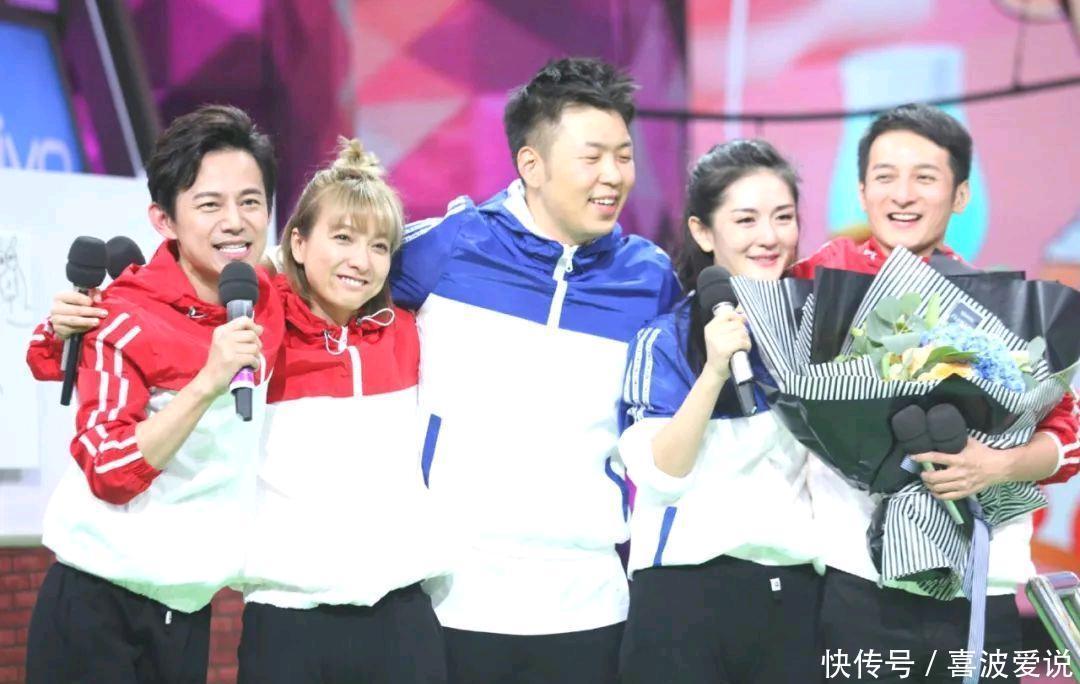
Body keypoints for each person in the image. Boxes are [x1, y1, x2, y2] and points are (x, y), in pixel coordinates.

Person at [390, 57, 680, 683]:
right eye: (591, 157)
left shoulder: (649, 279)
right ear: (532, 164)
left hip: (591, 605)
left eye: (624, 156)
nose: (613, 176)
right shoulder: (447, 247)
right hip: (450, 599)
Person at [790, 103, 1080, 681]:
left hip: (978, 586)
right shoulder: (816, 282)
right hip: (856, 583)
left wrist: (998, 465)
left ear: (961, 195)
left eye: (925, 177)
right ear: (861, 191)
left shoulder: (997, 306)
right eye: (885, 176)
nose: (903, 194)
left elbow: (1068, 436)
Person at [24, 105, 285, 683]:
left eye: (251, 201)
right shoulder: (125, 316)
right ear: (164, 220)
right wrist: (208, 381)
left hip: (188, 611)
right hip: (97, 607)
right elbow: (110, 469)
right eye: (210, 205)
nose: (235, 222)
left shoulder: (266, 299)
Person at [237, 138, 447, 683]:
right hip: (287, 617)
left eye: (379, 246)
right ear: (297, 242)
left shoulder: (408, 331)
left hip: (401, 617)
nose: (361, 261)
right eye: (343, 238)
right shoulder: (261, 325)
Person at [618, 139, 821, 683]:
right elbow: (660, 474)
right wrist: (712, 372)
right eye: (746, 219)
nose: (769, 236)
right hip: (685, 595)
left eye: (783, 217)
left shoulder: (818, 333)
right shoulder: (665, 338)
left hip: (795, 593)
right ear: (704, 232)